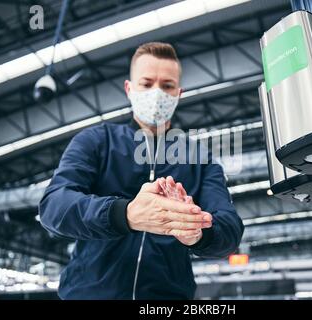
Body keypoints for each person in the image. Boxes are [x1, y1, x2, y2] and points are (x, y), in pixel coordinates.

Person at [38, 42, 244, 300]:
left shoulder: (200, 160)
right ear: (129, 88)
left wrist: (199, 231)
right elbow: (54, 205)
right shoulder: (96, 141)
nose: (157, 93)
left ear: (178, 93)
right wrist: (124, 214)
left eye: (167, 86)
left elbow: (230, 229)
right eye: (147, 84)